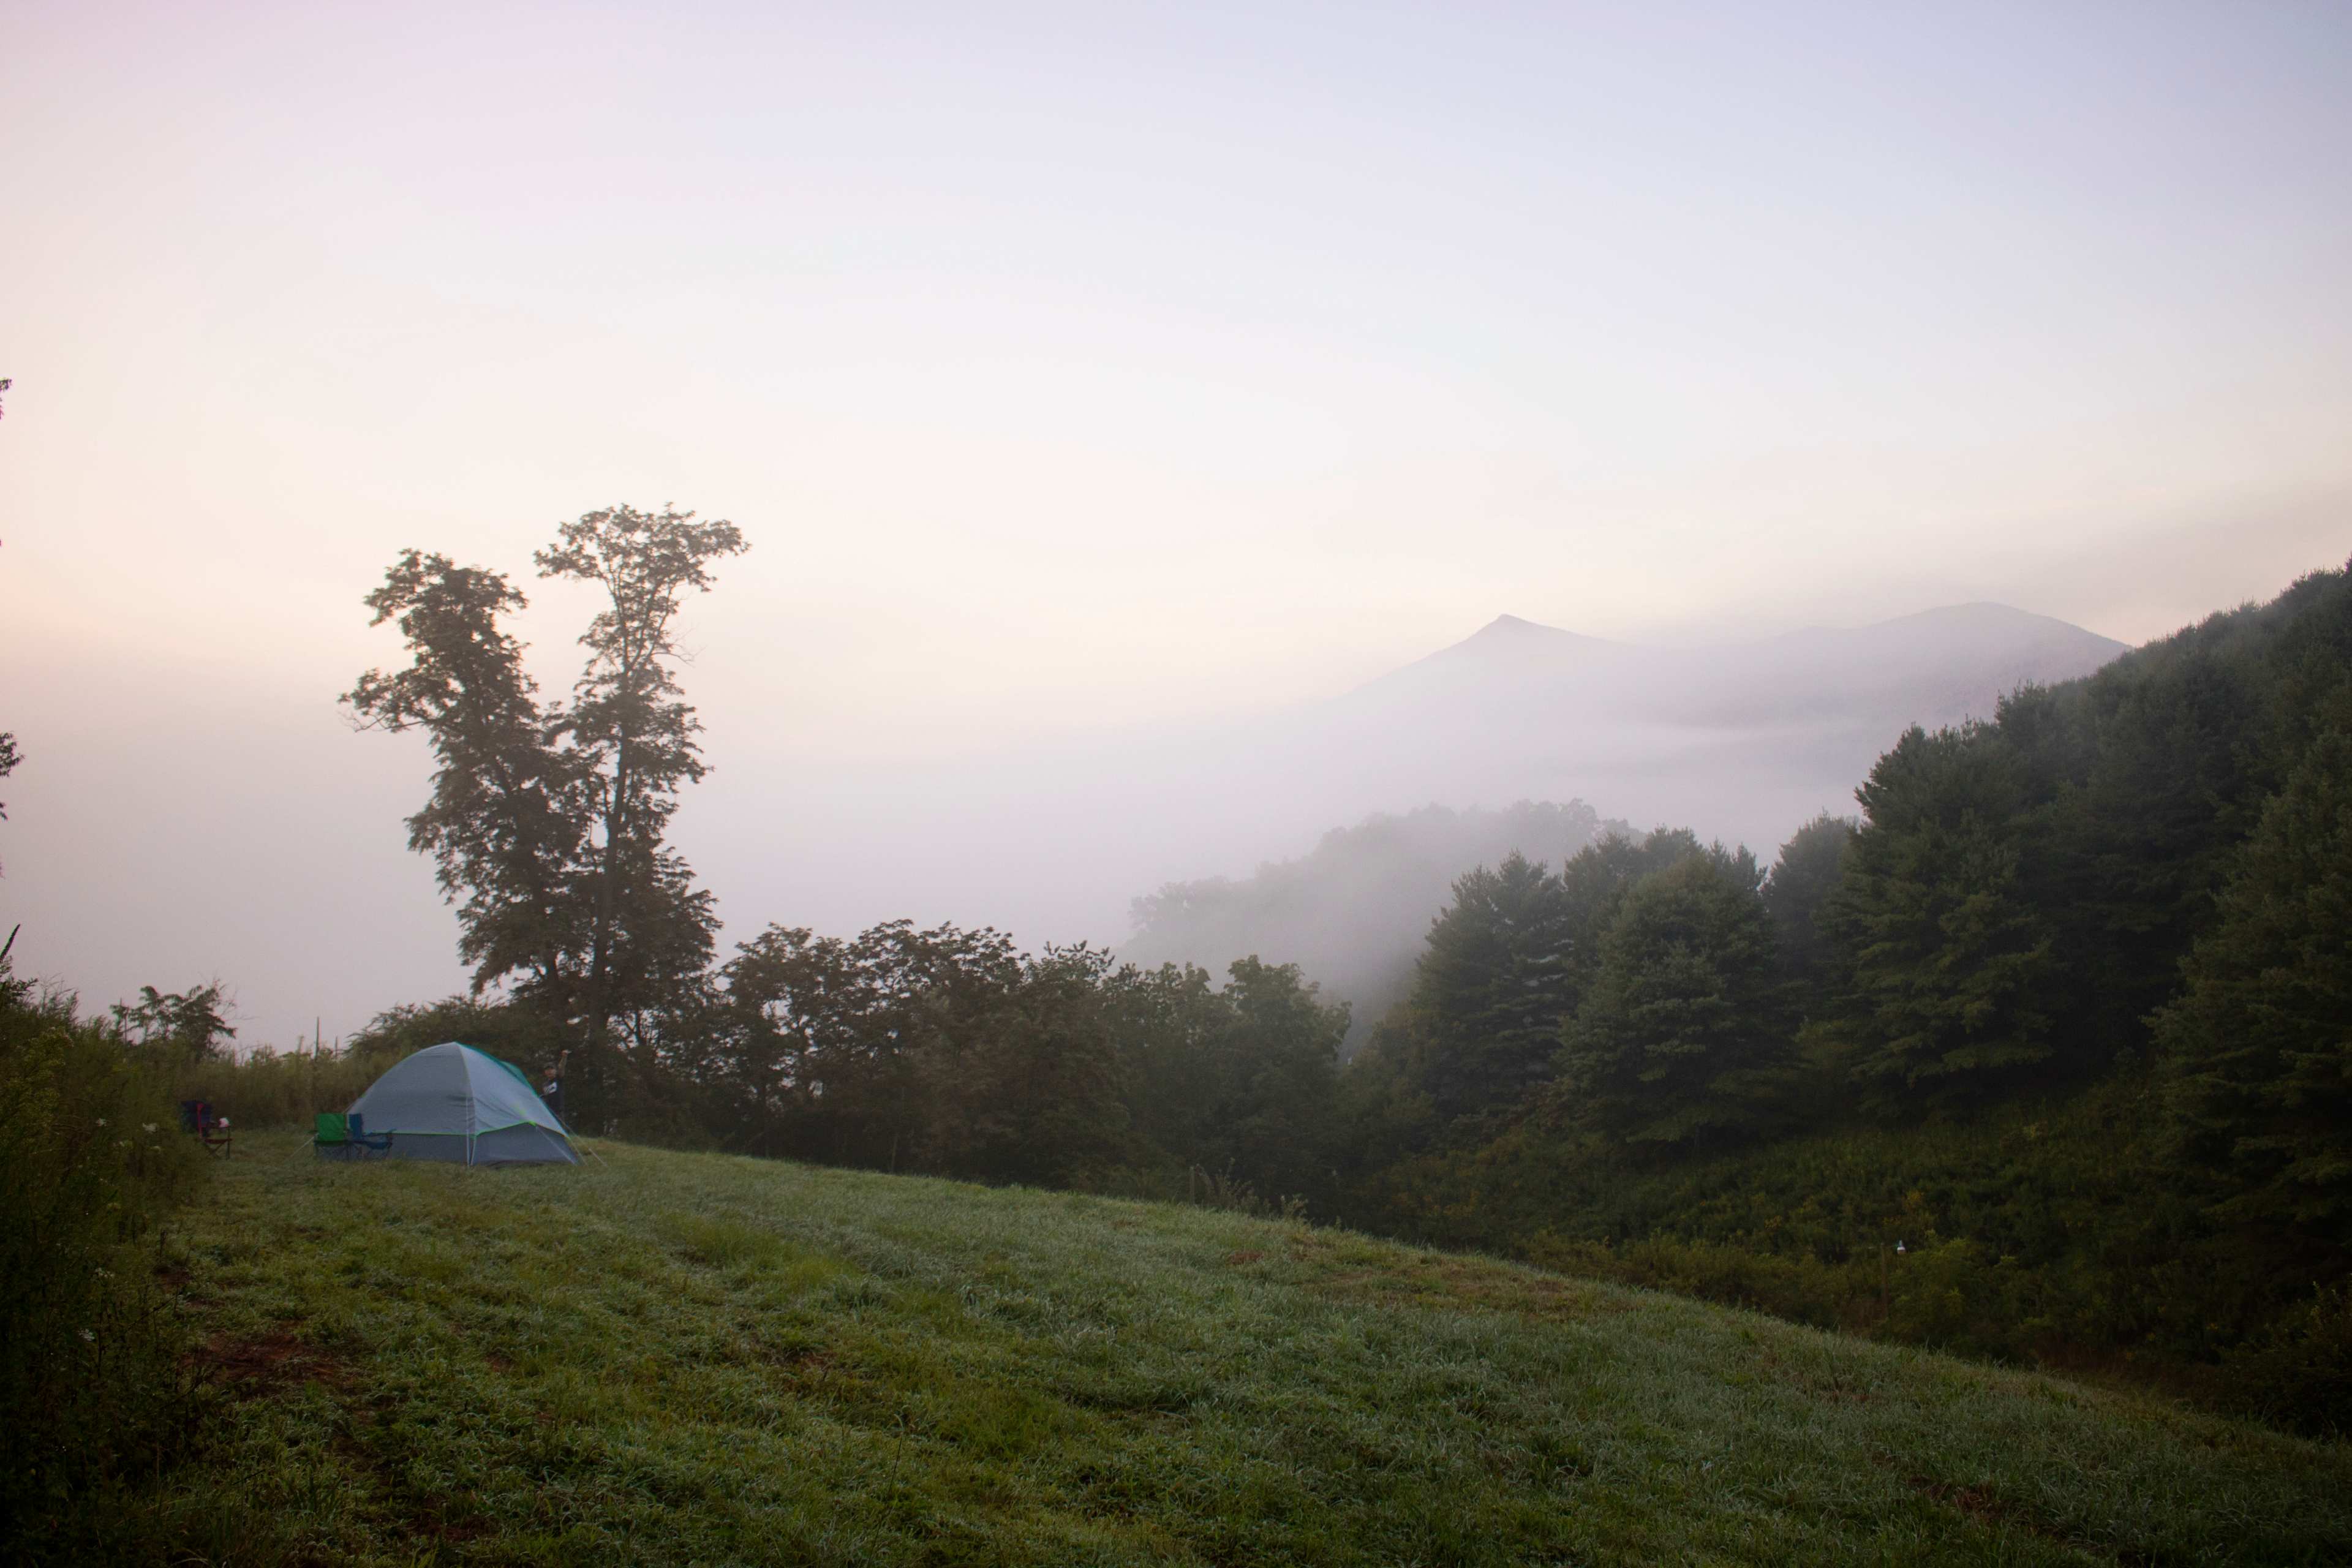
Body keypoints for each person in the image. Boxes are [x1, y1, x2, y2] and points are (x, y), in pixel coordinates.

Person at [542, 1049, 569, 1122]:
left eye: (551, 1069)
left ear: (555, 1071)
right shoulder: (545, 1085)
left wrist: (564, 1057)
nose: (549, 1071)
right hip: (548, 1114)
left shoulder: (558, 1079)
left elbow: (561, 1067)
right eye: (547, 1070)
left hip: (558, 1113)